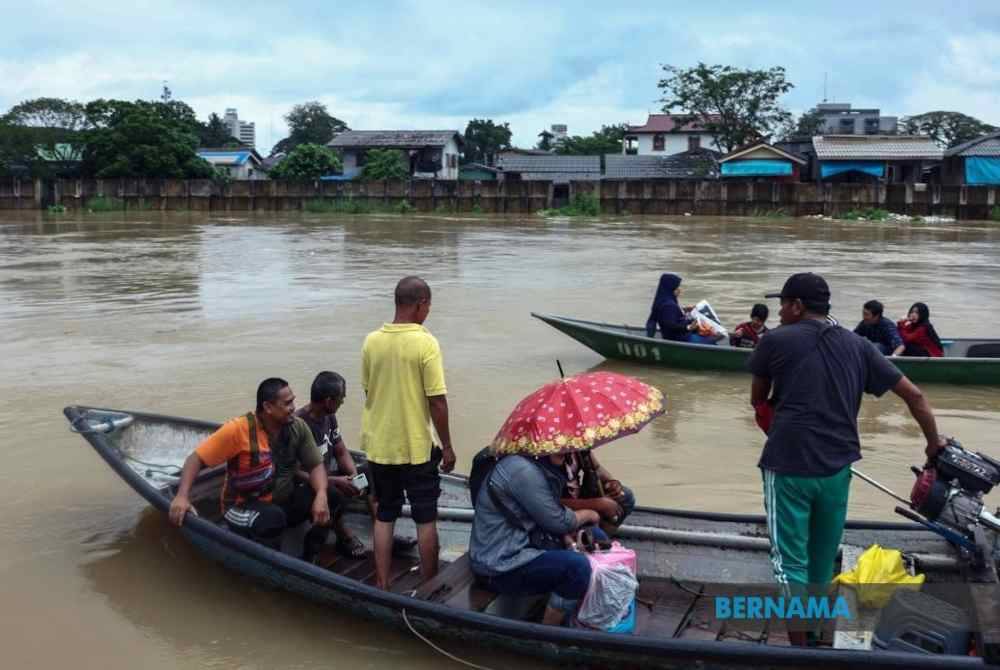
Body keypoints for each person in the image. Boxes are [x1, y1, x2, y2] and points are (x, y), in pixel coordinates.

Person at [750, 273, 946, 646]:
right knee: (823, 557)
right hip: (839, 468)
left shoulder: (773, 340)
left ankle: (800, 648)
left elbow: (758, 400)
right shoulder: (859, 345)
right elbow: (915, 397)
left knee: (790, 561)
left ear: (796, 306)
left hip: (788, 467)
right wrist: (932, 446)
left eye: (783, 304)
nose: (778, 311)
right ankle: (816, 632)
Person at [168, 378, 334, 562]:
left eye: (293, 401)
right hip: (240, 507)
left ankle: (310, 556)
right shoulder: (238, 430)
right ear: (268, 407)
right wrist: (182, 496)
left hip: (280, 503)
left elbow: (316, 465)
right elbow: (195, 459)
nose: (293, 407)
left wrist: (321, 495)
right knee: (272, 518)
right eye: (287, 403)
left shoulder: (297, 427)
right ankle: (271, 567)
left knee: (333, 495)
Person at [362, 276, 456, 589]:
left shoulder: (371, 341)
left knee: (384, 515)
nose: (428, 311)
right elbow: (437, 401)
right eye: (428, 305)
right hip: (417, 447)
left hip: (379, 446)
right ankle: (429, 585)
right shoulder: (425, 342)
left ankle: (381, 583)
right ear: (420, 305)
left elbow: (369, 391)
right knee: (425, 518)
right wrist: (448, 446)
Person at [470, 451, 604, 626]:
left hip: (527, 542)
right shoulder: (523, 471)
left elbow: (545, 515)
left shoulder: (539, 464)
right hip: (501, 564)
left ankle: (577, 609)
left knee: (596, 537)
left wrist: (568, 538)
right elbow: (559, 522)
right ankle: (548, 633)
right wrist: (590, 513)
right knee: (577, 567)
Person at [296, 371, 370, 559]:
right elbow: (294, 472)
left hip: (329, 477)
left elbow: (341, 451)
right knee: (334, 493)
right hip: (307, 485)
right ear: (329, 401)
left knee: (373, 472)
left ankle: (383, 531)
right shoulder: (299, 426)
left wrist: (354, 476)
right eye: (341, 399)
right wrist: (333, 481)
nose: (342, 403)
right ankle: (340, 537)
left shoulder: (329, 417)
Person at [559, 450, 636, 534]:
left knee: (625, 496)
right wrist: (597, 504)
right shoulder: (547, 456)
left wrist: (612, 482)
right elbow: (549, 501)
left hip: (578, 497)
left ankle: (602, 535)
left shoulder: (579, 445)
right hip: (558, 509)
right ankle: (591, 536)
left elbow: (597, 468)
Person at [645, 273, 692, 341]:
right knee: (710, 340)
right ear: (671, 288)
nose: (680, 290)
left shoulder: (661, 300)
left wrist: (685, 311)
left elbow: (669, 318)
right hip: (680, 338)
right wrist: (689, 327)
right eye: (677, 287)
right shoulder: (669, 305)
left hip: (673, 335)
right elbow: (672, 326)